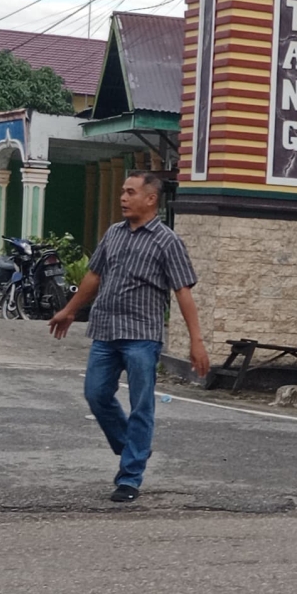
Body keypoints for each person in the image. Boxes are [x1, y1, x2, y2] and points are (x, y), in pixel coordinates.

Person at [48, 172, 212, 502]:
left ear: (150, 199)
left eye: (130, 192)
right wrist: (69, 310)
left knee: (141, 405)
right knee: (95, 394)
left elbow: (183, 292)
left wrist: (196, 340)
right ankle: (131, 447)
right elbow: (94, 276)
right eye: (122, 191)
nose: (123, 198)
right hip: (106, 331)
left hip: (142, 336)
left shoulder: (168, 241)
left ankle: (130, 477)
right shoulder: (113, 234)